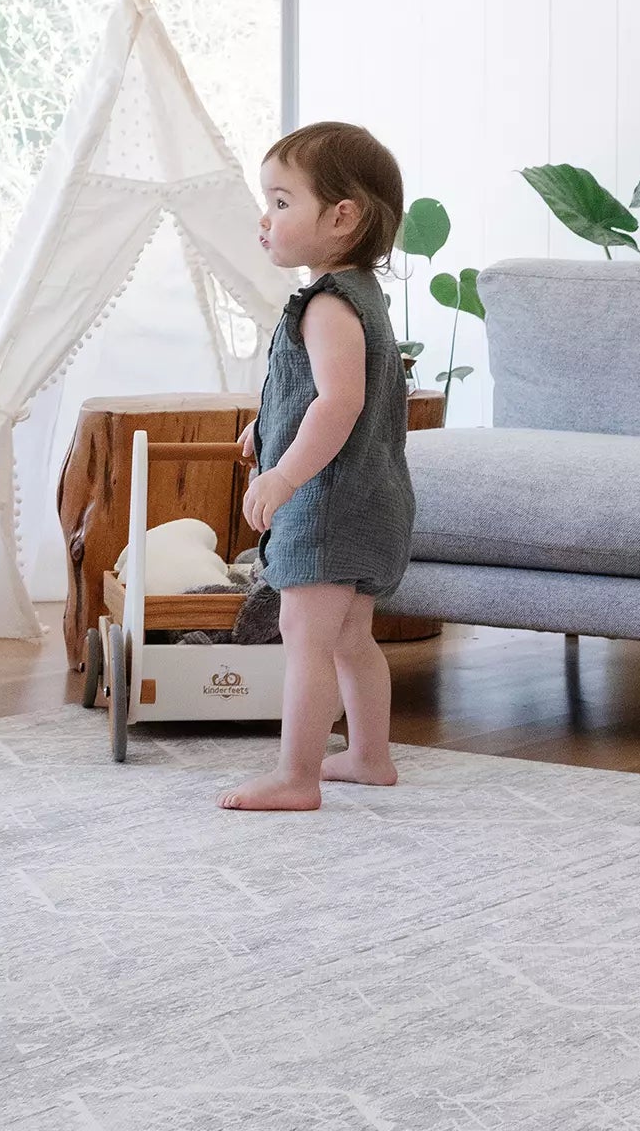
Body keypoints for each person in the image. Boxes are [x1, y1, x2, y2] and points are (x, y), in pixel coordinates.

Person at [218, 121, 415, 811]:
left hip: (327, 502)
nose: (263, 220)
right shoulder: (362, 297)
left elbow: (338, 404)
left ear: (341, 217)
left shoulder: (326, 304)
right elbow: (326, 396)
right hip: (373, 498)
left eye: (279, 202)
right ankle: (368, 756)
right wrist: (264, 430)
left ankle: (297, 776)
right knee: (350, 636)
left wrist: (284, 475)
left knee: (305, 633)